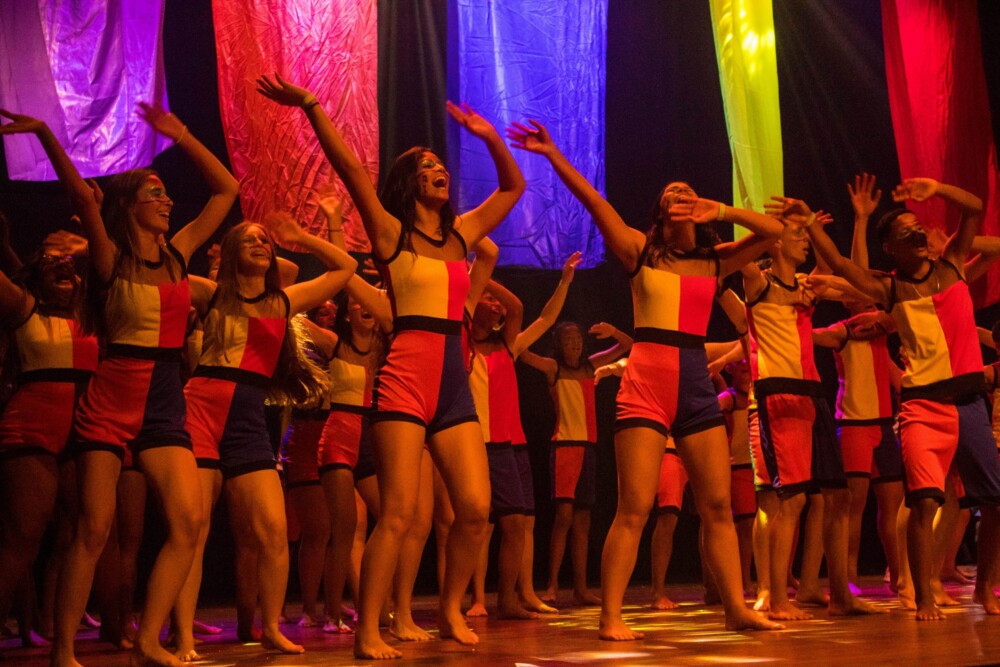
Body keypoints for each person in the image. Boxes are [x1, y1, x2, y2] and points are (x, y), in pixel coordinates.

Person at [258, 74, 525, 659]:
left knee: (475, 509)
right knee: (399, 514)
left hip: (451, 384)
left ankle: (450, 607)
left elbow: (513, 187)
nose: (439, 169)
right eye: (427, 166)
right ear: (410, 184)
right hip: (404, 378)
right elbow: (352, 169)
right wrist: (311, 105)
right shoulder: (390, 233)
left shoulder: (461, 235)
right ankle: (369, 630)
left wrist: (488, 138)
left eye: (440, 163)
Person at [508, 119, 784, 638]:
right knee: (634, 507)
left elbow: (775, 233)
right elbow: (595, 202)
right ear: (660, 212)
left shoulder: (715, 261)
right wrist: (553, 154)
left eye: (688, 192)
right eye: (671, 194)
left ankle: (735, 607)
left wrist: (721, 210)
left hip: (695, 387)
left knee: (717, 505)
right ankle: (611, 615)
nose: (680, 194)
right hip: (647, 384)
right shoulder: (640, 251)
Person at [1, 105, 239, 666]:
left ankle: (149, 639)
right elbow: (84, 198)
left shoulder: (179, 254)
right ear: (131, 206)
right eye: (155, 194)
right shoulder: (110, 259)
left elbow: (227, 189)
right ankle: (63, 649)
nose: (167, 200)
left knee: (189, 522)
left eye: (167, 194)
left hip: (163, 403)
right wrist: (45, 133)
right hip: (111, 401)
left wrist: (182, 134)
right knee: (92, 530)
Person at [790, 178, 1000, 620]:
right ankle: (923, 595)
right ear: (891, 248)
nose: (918, 233)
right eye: (906, 231)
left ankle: (985, 588)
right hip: (923, 406)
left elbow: (975, 206)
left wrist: (936, 188)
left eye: (917, 227)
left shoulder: (953, 265)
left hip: (969, 402)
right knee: (923, 502)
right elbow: (839, 264)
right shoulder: (889, 289)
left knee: (994, 500)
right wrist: (810, 222)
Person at [467, 254, 581, 618]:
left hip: (506, 446)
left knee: (517, 523)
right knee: (475, 525)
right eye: (488, 300)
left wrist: (564, 281)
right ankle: (475, 598)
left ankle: (510, 598)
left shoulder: (507, 345)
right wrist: (473, 279)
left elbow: (532, 313)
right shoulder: (460, 344)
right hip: (472, 445)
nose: (497, 306)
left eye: (496, 301)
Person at [0, 232, 96, 649]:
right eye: (52, 263)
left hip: (84, 432)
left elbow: (120, 264)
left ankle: (55, 625)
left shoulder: (92, 315)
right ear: (35, 275)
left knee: (78, 535)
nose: (63, 268)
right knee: (22, 540)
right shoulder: (24, 307)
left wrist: (88, 240)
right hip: (32, 429)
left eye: (70, 265)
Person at [520, 318, 631, 607]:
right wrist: (529, 328)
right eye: (568, 340)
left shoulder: (591, 366)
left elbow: (629, 346)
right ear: (559, 344)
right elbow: (521, 353)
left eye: (578, 339)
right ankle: (553, 584)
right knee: (564, 518)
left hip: (588, 448)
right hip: (565, 447)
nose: (575, 344)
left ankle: (581, 588)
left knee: (583, 520)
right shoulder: (553, 368)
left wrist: (614, 331)